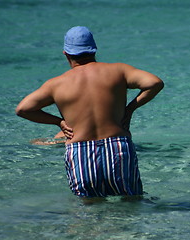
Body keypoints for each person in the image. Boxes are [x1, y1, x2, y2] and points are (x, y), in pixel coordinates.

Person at [16, 26, 164, 198]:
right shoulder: (118, 71)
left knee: (87, 211)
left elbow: (23, 109)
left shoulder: (56, 84)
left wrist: (59, 122)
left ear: (66, 53)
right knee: (131, 201)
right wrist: (129, 109)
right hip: (117, 146)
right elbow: (155, 83)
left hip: (80, 151)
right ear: (93, 50)